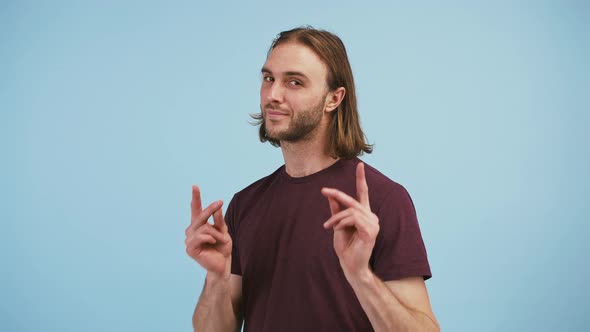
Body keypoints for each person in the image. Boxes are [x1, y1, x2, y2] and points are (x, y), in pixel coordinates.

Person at [185, 26, 439, 332]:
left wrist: (361, 277)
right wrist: (216, 279)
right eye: (269, 79)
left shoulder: (383, 200)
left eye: (294, 82)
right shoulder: (245, 204)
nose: (273, 95)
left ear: (334, 98)